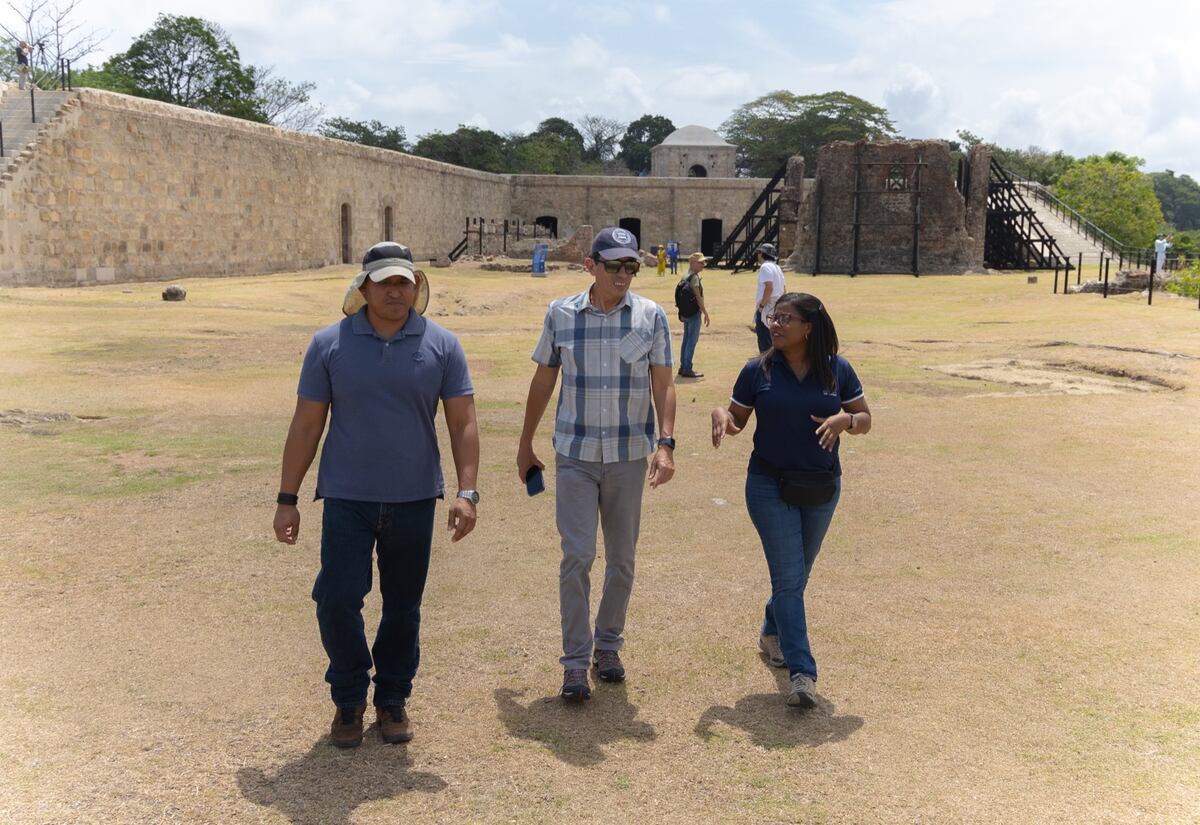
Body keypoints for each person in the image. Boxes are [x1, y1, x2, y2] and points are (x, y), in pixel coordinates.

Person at [273, 241, 480, 748]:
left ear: (415, 286)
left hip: (414, 498)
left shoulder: (442, 344)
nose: (395, 291)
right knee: (336, 600)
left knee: (403, 606)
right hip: (347, 497)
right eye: (384, 282)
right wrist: (287, 498)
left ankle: (392, 698)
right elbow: (306, 425)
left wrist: (467, 491)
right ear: (363, 287)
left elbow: (462, 422)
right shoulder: (329, 344)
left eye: (403, 281)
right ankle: (348, 698)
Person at [517, 226, 677, 703]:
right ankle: (574, 661)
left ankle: (607, 645)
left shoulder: (650, 315)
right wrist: (525, 443)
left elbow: (664, 383)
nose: (623, 274)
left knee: (622, 560)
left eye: (631, 266)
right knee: (578, 556)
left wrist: (666, 444)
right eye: (614, 266)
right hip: (576, 454)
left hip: (628, 455)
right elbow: (544, 379)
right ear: (591, 266)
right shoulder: (561, 314)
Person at [711, 292, 871, 708]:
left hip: (821, 486)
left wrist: (846, 419)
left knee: (796, 576)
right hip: (768, 485)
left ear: (809, 328)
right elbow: (736, 421)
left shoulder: (838, 370)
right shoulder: (757, 370)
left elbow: (865, 420)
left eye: (786, 318)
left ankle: (771, 631)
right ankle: (802, 673)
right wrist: (721, 415)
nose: (775, 325)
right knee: (788, 578)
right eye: (773, 317)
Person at [677, 251, 711, 379]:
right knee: (692, 340)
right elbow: (698, 297)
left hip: (686, 313)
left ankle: (683, 366)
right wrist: (705, 313)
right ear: (693, 263)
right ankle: (687, 368)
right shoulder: (694, 277)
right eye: (700, 262)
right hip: (694, 313)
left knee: (686, 339)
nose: (703, 265)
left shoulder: (685, 276)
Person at [753, 243, 786, 353]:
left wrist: (761, 307)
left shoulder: (765, 267)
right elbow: (784, 289)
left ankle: (766, 361)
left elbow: (769, 288)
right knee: (773, 338)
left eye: (758, 253)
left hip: (767, 305)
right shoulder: (777, 267)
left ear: (762, 254)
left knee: (764, 340)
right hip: (777, 305)